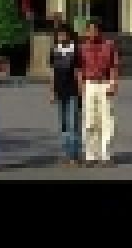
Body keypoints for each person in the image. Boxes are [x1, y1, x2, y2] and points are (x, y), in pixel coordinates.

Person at [75, 17, 120, 168]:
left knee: (107, 120)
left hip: (104, 84)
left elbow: (114, 66)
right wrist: (81, 85)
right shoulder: (82, 48)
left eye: (95, 29)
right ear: (86, 32)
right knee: (89, 120)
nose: (92, 33)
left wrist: (113, 84)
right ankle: (90, 155)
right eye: (90, 30)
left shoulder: (109, 45)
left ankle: (105, 155)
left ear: (100, 31)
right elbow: (79, 68)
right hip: (89, 85)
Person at [48, 22, 82, 166]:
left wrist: (81, 90)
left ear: (69, 35)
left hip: (73, 90)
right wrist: (52, 91)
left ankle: (74, 154)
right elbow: (52, 72)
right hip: (60, 90)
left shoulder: (75, 50)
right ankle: (66, 153)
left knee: (73, 122)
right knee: (63, 123)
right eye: (59, 34)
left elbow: (78, 71)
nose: (61, 36)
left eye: (64, 34)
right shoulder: (55, 50)